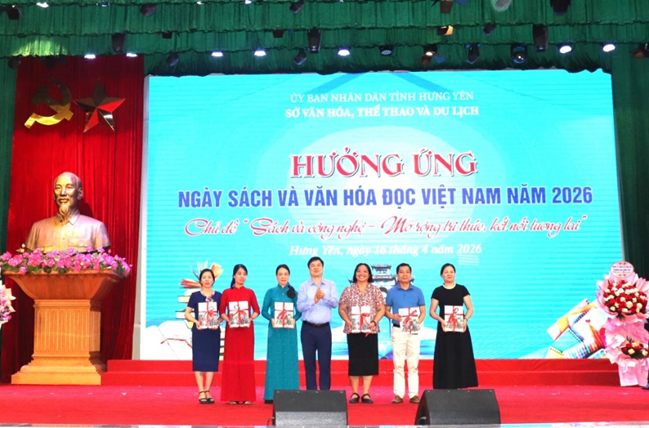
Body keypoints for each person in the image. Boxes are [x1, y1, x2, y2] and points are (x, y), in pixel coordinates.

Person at [25, 172, 111, 252]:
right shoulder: (37, 228)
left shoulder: (96, 228)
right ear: (54, 195)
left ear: (79, 194)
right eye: (58, 188)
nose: (63, 193)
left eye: (69, 187)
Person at [338, 263, 385, 404]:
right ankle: (354, 393)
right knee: (355, 361)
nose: (362, 274)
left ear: (369, 274)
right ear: (355, 273)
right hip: (353, 330)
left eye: (365, 271)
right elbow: (341, 309)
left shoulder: (375, 290)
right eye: (359, 271)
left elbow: (381, 309)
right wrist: (347, 321)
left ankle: (365, 393)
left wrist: (374, 322)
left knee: (369, 361)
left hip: (370, 330)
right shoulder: (348, 290)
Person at [429, 263, 478, 389]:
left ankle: (462, 383)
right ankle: (445, 384)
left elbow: (470, 308)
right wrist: (441, 320)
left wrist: (465, 319)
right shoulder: (438, 291)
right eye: (446, 272)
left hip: (461, 328)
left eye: (451, 271)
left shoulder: (462, 289)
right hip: (444, 329)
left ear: (455, 274)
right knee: (445, 356)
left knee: (461, 354)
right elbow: (432, 311)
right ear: (442, 275)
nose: (449, 274)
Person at [385, 263, 426, 404]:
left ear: (411, 274)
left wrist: (417, 323)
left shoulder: (418, 291)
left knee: (413, 363)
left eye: (407, 272)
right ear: (397, 275)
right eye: (401, 272)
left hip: (413, 331)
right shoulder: (391, 292)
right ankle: (399, 394)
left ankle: (414, 394)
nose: (404, 274)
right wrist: (393, 316)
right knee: (398, 363)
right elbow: (386, 311)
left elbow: (423, 311)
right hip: (398, 330)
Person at [261, 264, 302, 404]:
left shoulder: (294, 293)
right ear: (276, 276)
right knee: (275, 360)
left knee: (290, 360)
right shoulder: (271, 292)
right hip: (275, 330)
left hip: (290, 331)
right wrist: (271, 319)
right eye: (280, 274)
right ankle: (271, 395)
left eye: (285, 274)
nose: (283, 276)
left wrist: (294, 319)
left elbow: (299, 312)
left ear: (289, 276)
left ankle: (291, 393)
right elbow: (264, 311)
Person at [219, 264, 260, 404]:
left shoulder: (250, 292)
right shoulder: (227, 292)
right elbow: (221, 311)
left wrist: (250, 318)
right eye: (239, 273)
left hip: (246, 331)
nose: (242, 276)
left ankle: (247, 396)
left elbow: (257, 310)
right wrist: (228, 320)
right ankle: (233, 396)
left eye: (244, 274)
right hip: (232, 331)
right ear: (234, 276)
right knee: (232, 362)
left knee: (246, 361)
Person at [297, 256, 338, 390]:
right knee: (309, 363)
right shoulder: (304, 286)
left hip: (324, 329)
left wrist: (324, 297)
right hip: (308, 329)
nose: (316, 268)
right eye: (312, 266)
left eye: (318, 265)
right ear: (309, 269)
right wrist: (313, 301)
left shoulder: (330, 284)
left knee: (325, 363)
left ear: (323, 268)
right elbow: (300, 307)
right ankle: (311, 392)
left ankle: (325, 392)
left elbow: (335, 303)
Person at [184, 268, 222, 404]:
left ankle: (207, 390)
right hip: (199, 332)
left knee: (211, 362)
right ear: (200, 280)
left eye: (209, 277)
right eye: (204, 277)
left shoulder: (219, 296)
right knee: (199, 361)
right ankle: (201, 391)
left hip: (213, 333)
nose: (207, 279)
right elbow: (187, 313)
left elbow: (223, 314)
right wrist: (196, 322)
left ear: (213, 280)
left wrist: (218, 322)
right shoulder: (195, 296)